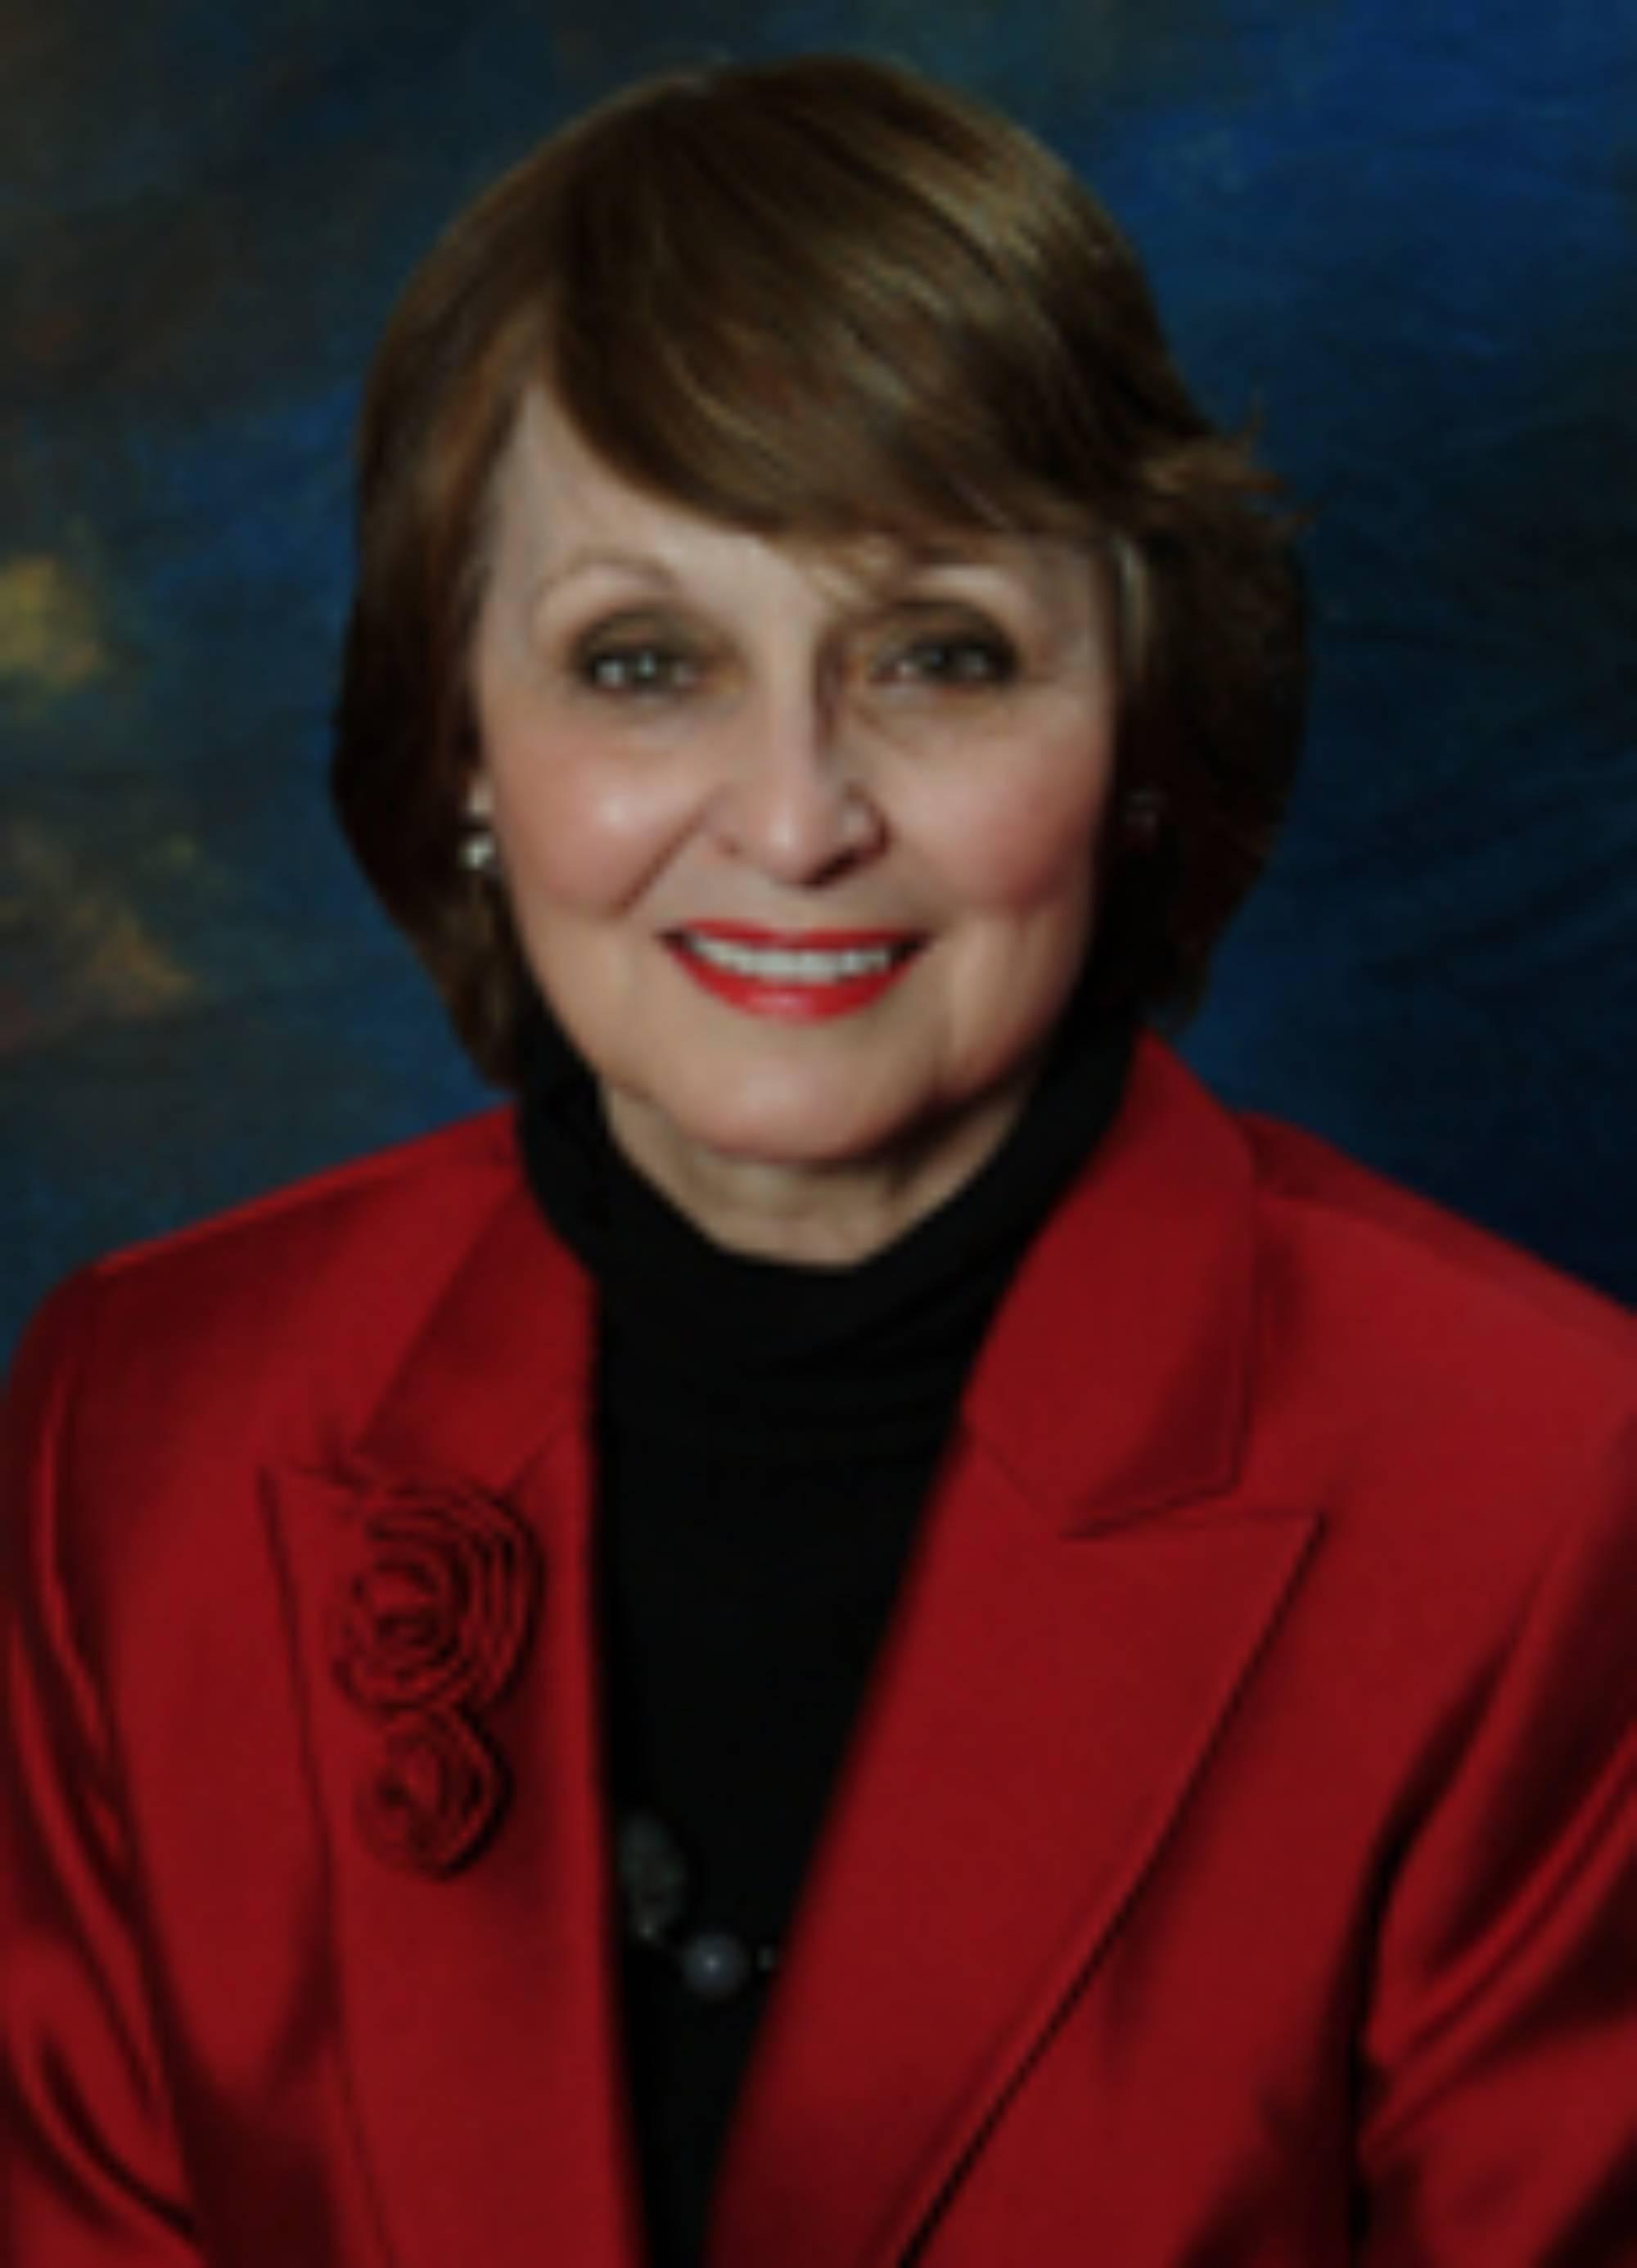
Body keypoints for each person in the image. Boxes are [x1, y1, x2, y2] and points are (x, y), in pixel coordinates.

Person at [2, 52, 1633, 2268]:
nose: (793, 818)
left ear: (1140, 737)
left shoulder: (1548, 1494)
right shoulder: (149, 1423)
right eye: (642, 660)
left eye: (940, 656)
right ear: (461, 740)